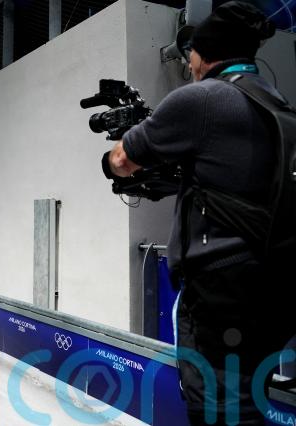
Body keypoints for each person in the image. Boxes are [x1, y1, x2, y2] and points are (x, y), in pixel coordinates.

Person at [104, 2, 294, 424]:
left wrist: (118, 150)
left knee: (217, 406)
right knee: (248, 397)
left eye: (191, 54)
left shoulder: (201, 99)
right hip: (274, 285)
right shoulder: (277, 104)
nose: (188, 63)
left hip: (220, 293)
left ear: (205, 54)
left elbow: (122, 160)